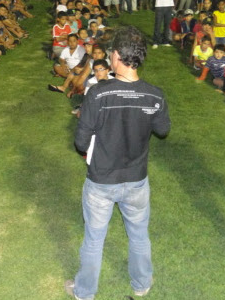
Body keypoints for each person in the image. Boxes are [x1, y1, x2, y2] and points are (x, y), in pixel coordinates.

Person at [65, 26, 171, 300]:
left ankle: (85, 291)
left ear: (114, 56)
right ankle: (142, 284)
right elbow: (162, 129)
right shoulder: (154, 95)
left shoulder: (98, 94)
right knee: (138, 235)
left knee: (94, 238)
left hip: (101, 180)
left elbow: (80, 142)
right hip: (136, 179)